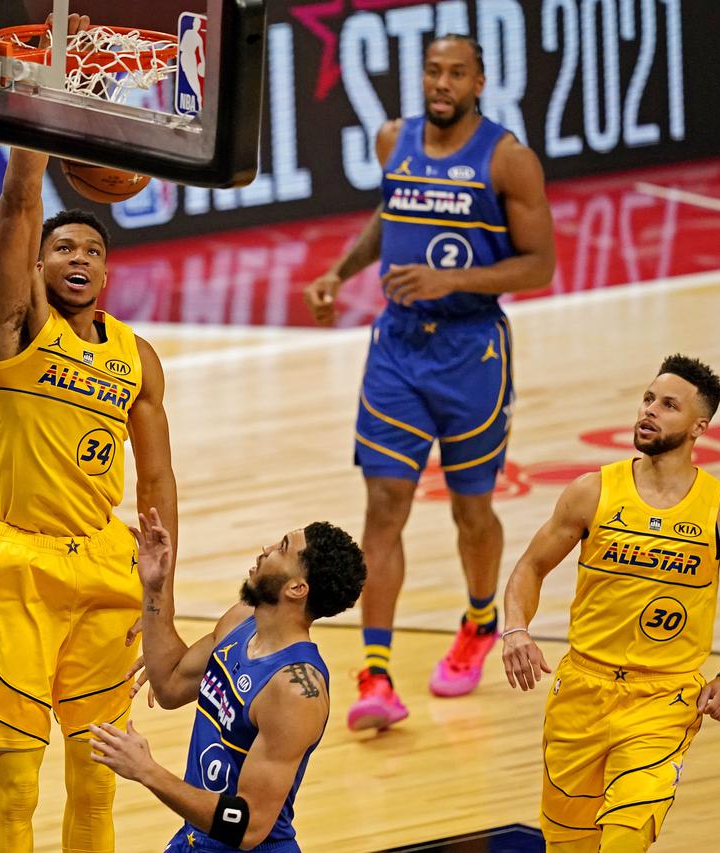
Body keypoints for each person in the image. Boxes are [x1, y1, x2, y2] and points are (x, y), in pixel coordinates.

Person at [302, 33, 555, 730]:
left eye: (456, 73)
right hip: (398, 349)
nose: (441, 83)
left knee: (471, 511)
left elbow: (539, 266)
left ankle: (479, 619)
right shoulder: (394, 139)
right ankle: (375, 674)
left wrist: (453, 279)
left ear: (479, 81)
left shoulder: (509, 159)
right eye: (432, 71)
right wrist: (340, 271)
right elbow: (391, 215)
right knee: (384, 505)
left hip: (473, 351)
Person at [0, 144, 178, 853]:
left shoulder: (135, 356)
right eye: (61, 248)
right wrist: (29, 151)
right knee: (18, 782)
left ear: (107, 270)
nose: (77, 257)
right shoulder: (16, 325)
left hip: (107, 566)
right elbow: (20, 209)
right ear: (38, 266)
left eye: (90, 249)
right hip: (18, 571)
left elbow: (158, 482)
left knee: (97, 777)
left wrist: (159, 600)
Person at [502, 354, 720, 852]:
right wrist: (515, 629)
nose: (650, 411)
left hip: (663, 700)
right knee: (568, 845)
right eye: (647, 399)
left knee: (625, 840)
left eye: (668, 405)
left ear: (699, 426)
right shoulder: (592, 491)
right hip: (580, 690)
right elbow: (530, 567)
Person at [90, 508, 367, 851]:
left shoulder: (295, 690)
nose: (265, 549)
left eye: (282, 548)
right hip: (196, 840)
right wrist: (154, 589)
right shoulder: (241, 621)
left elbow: (248, 826)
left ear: (297, 588)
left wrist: (148, 771)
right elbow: (171, 684)